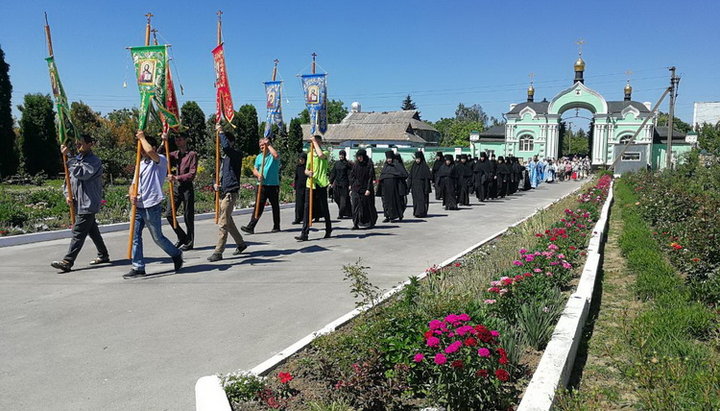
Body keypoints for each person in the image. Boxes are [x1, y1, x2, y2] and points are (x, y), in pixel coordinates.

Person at [124, 131, 183, 278]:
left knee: (157, 237)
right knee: (135, 236)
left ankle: (176, 254)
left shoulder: (161, 160)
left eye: (143, 147)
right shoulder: (141, 163)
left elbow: (150, 151)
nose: (142, 151)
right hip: (138, 205)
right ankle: (138, 267)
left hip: (152, 204)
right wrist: (132, 194)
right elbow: (133, 183)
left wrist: (142, 138)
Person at [51, 134, 110, 273]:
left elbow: (83, 174)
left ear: (90, 144)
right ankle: (103, 254)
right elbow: (68, 180)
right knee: (92, 230)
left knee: (78, 232)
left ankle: (67, 261)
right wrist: (67, 194)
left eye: (81, 143)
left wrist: (69, 157)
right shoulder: (75, 160)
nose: (78, 146)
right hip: (78, 203)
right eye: (77, 144)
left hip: (88, 203)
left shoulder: (94, 161)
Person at [207, 125, 248, 262]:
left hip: (230, 192)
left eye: (223, 140)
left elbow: (226, 147)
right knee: (228, 221)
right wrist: (215, 183)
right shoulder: (223, 159)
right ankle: (241, 244)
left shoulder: (235, 154)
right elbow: (216, 174)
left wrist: (221, 132)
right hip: (222, 192)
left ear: (231, 142)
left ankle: (218, 251)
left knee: (223, 222)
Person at [241, 137, 281, 234]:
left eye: (263, 145)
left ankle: (276, 226)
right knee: (258, 206)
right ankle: (251, 226)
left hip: (272, 184)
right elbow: (255, 169)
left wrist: (268, 145)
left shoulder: (272, 155)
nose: (262, 147)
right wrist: (258, 175)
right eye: (261, 145)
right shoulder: (259, 157)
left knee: (275, 206)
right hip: (261, 185)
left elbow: (276, 155)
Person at [296, 135, 332, 241]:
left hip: (321, 183)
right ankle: (304, 233)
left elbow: (320, 155)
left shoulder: (325, 152)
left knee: (324, 207)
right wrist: (308, 172)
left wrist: (314, 142)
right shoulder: (310, 154)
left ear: (319, 142)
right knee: (307, 208)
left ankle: (328, 229)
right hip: (310, 184)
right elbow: (306, 169)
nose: (312, 144)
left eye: (315, 142)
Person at [165, 131, 197, 251]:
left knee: (188, 216)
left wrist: (177, 177)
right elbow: (159, 155)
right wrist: (164, 141)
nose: (177, 141)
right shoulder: (174, 154)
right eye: (176, 139)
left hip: (187, 187)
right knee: (169, 214)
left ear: (185, 140)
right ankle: (182, 236)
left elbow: (192, 174)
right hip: (176, 188)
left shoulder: (192, 155)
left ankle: (190, 241)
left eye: (180, 139)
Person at [349, 149, 378, 229]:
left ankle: (370, 222)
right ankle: (355, 224)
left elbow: (370, 177)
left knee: (367, 206)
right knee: (355, 206)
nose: (359, 158)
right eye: (358, 157)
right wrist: (351, 185)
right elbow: (352, 176)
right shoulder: (356, 165)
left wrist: (368, 189)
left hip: (366, 189)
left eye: (361, 157)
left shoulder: (369, 164)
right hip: (356, 188)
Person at [378, 150, 408, 223]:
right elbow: (382, 176)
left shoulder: (397, 165)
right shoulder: (385, 166)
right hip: (385, 189)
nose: (388, 160)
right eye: (387, 159)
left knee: (396, 202)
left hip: (395, 189)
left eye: (390, 158)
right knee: (385, 202)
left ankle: (396, 216)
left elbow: (404, 174)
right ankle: (387, 216)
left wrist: (395, 175)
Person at [407, 151, 432, 218]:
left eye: (418, 159)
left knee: (422, 200)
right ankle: (416, 212)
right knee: (415, 200)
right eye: (416, 159)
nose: (417, 160)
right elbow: (410, 177)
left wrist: (426, 188)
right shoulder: (414, 166)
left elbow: (427, 179)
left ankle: (421, 213)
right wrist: (408, 187)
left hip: (422, 186)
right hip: (414, 186)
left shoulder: (424, 166)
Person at [329, 150, 353, 219]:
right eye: (340, 155)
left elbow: (349, 175)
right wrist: (331, 182)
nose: (341, 156)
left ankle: (341, 214)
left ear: (344, 155)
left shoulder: (347, 164)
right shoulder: (336, 163)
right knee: (337, 199)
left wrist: (350, 184)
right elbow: (333, 173)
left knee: (344, 200)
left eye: (342, 155)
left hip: (344, 185)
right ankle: (349, 212)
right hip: (337, 184)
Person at [292, 153, 307, 224]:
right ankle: (297, 218)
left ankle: (305, 218)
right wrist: (294, 187)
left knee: (305, 204)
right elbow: (296, 178)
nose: (301, 161)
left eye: (302, 159)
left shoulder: (307, 167)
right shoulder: (298, 167)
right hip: (299, 187)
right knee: (298, 204)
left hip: (306, 187)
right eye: (300, 159)